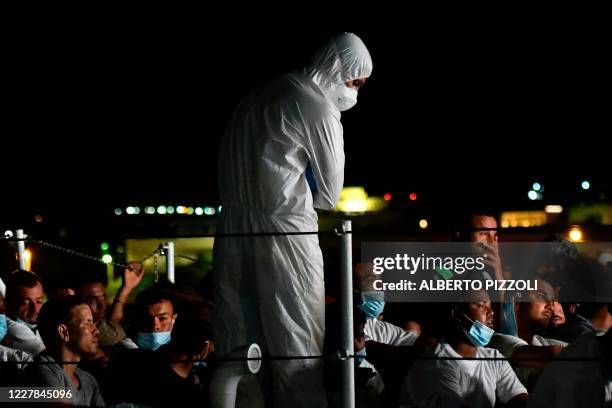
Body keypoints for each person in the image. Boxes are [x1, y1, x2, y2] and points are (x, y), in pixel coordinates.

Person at [214, 32, 372, 407]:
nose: (354, 94)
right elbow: (330, 195)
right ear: (340, 69)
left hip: (233, 229)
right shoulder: (315, 105)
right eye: (355, 83)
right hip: (288, 233)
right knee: (296, 346)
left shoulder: (255, 96)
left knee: (240, 342)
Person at [399, 290, 528, 408]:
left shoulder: (493, 357)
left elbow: (518, 397)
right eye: (481, 305)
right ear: (457, 313)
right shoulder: (437, 362)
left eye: (490, 305)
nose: (491, 312)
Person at [21, 296, 105, 406]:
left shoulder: (89, 381)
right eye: (88, 323)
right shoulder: (41, 372)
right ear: (64, 332)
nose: (96, 330)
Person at [2, 270, 46, 356]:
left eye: (39, 301)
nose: (36, 309)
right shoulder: (12, 329)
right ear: (8, 303)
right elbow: (58, 358)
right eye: (25, 303)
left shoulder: (39, 324)